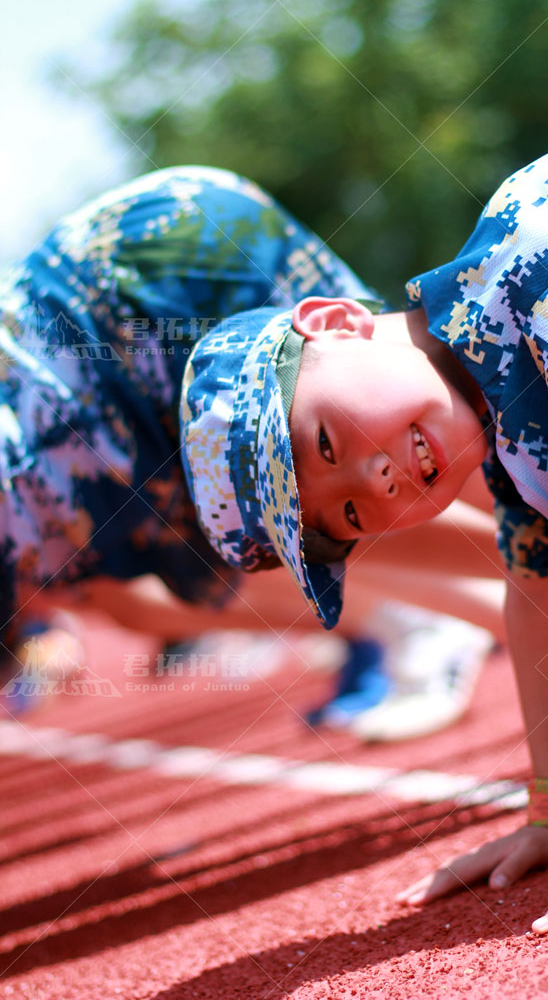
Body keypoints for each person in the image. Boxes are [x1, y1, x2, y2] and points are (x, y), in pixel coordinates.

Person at [185, 104, 548, 933]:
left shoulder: (534, 268)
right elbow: (539, 586)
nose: (376, 479)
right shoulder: (498, 409)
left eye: (329, 438)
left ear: (337, 321)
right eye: (349, 509)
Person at [0, 166, 503, 734]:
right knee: (305, 511)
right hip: (83, 436)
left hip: (153, 278)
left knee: (383, 419)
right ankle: (522, 599)